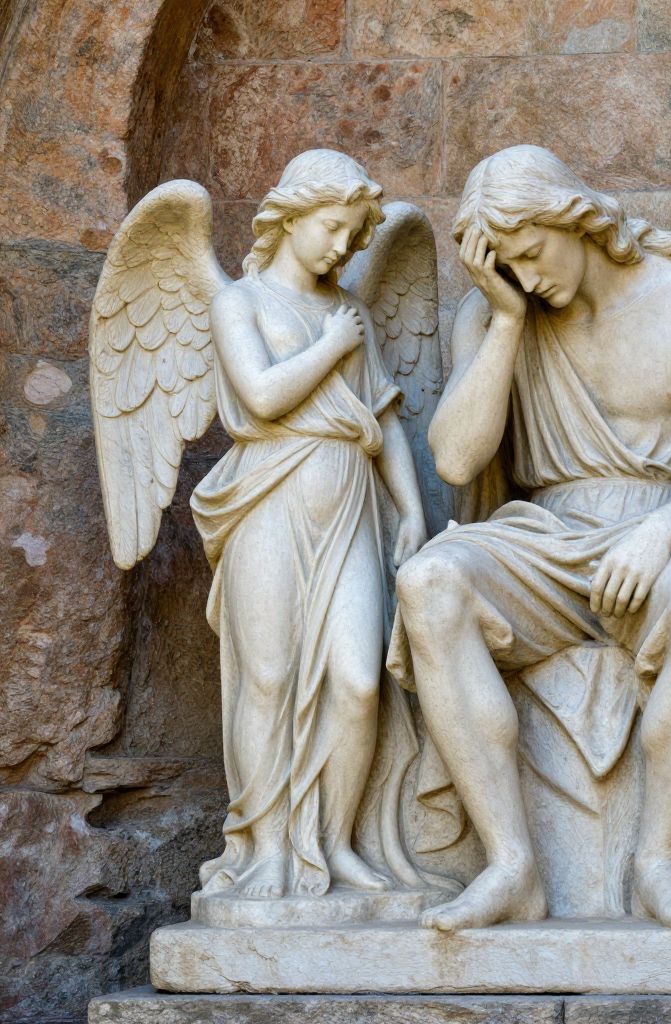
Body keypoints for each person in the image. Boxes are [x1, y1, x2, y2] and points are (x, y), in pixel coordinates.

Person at [388, 145, 671, 933]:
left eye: (532, 252)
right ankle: (511, 866)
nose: (526, 274)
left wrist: (661, 530)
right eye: (506, 265)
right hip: (544, 537)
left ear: (574, 219)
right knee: (429, 582)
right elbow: (455, 459)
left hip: (667, 527)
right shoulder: (494, 312)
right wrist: (506, 321)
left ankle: (658, 865)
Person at [192, 150, 428, 899]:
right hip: (270, 497)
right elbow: (261, 397)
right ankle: (267, 849)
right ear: (291, 216)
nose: (341, 247)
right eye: (331, 227)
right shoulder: (240, 303)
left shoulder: (350, 310)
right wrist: (330, 347)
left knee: (358, 681)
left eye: (354, 236)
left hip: (351, 501)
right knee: (268, 678)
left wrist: (412, 509)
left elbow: (385, 417)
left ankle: (335, 843)